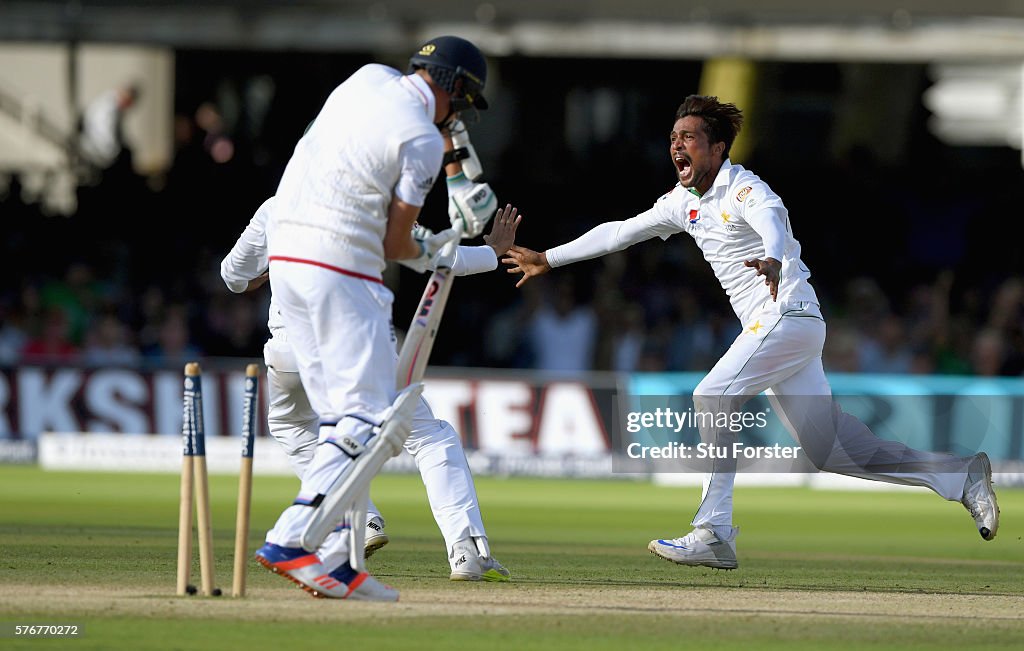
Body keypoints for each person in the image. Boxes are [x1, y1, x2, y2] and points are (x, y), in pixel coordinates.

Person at [502, 95, 1000, 570]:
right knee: (829, 451)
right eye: (674, 137)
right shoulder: (682, 202)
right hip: (790, 328)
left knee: (712, 395)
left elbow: (773, 221)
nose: (677, 145)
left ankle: (713, 532)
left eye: (691, 137)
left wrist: (777, 259)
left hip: (785, 314)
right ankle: (958, 475)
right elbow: (620, 231)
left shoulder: (743, 188)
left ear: (718, 149)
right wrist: (549, 257)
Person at [251, 35, 497, 601]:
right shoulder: (421, 141)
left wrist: (448, 143)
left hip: (286, 260)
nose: (458, 117)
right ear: (454, 86)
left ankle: (335, 558)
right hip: (343, 266)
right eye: (461, 103)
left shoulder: (365, 77)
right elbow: (393, 242)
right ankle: (291, 539)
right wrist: (440, 245)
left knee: (340, 421)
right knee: (370, 420)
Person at [221, 194, 519, 583]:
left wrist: (259, 276)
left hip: (290, 349)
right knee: (429, 436)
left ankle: (359, 520)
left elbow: (232, 275)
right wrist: (493, 251)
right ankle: (466, 551)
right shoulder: (376, 199)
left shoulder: (276, 206)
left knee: (293, 429)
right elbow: (440, 260)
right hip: (360, 345)